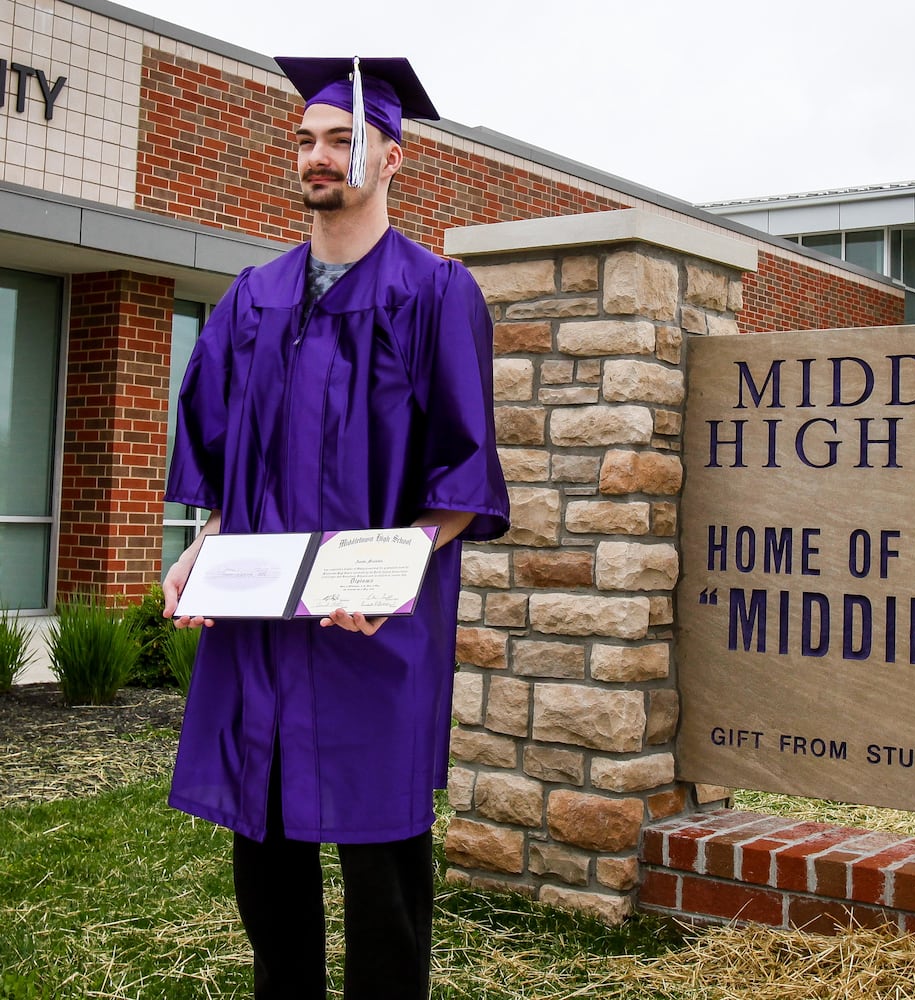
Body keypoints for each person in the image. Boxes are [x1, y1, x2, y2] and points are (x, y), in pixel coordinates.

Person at [161, 56, 509, 999]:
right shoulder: (253, 297)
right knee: (265, 858)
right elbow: (225, 457)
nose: (318, 157)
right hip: (262, 622)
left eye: (341, 139)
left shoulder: (436, 294)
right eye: (305, 140)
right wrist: (201, 548)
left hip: (374, 622)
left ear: (394, 158)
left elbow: (463, 474)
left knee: (380, 864)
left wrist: (395, 570)